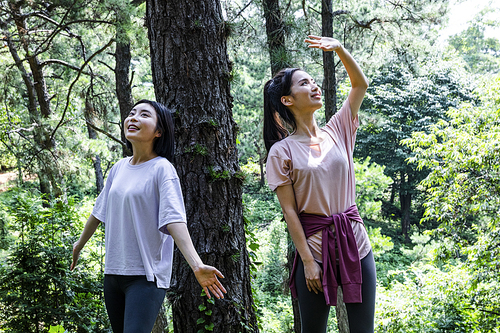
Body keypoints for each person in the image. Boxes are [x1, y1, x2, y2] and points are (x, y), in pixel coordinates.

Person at [71, 100, 226, 333]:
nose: (133, 118)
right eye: (131, 113)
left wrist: (196, 265)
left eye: (144, 115)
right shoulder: (118, 168)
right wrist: (79, 243)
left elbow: (174, 220)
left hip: (145, 278)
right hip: (113, 273)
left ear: (158, 131)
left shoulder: (162, 169)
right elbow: (98, 211)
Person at [263, 36, 376, 333]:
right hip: (313, 249)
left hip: (355, 242)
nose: (314, 86)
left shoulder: (338, 129)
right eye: (304, 83)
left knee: (363, 330)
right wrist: (308, 262)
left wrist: (339, 49)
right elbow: (290, 212)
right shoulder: (282, 151)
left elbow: (359, 85)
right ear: (287, 100)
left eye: (313, 81)